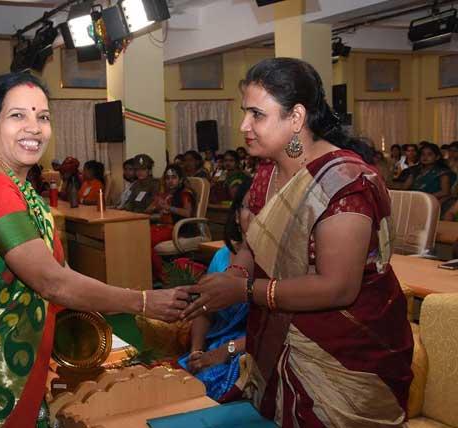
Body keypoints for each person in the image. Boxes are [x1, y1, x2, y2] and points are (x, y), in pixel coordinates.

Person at [0, 72, 189, 428]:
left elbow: (59, 273)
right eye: (17, 115)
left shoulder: (14, 183)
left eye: (43, 117)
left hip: (2, 355)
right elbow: (52, 282)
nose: (34, 127)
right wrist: (143, 301)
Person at [182, 58, 413, 427]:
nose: (244, 126)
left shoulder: (345, 183)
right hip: (276, 341)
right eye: (245, 113)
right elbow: (253, 243)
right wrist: (235, 273)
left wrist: (241, 289)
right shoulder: (266, 170)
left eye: (256, 114)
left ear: (296, 118)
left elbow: (337, 288)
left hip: (345, 353)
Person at [178, 182, 251, 401]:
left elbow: (276, 329)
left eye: (263, 207)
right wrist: (196, 351)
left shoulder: (280, 262)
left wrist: (226, 351)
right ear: (237, 216)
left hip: (250, 347)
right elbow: (204, 309)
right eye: (249, 207)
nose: (256, 216)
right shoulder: (222, 256)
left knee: (211, 385)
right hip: (217, 341)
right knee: (181, 380)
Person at [146, 164, 196, 281]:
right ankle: (150, 274)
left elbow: (188, 213)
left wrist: (169, 207)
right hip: (161, 226)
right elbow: (148, 211)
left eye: (173, 177)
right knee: (138, 237)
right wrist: (154, 207)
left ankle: (163, 275)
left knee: (145, 241)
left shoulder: (185, 193)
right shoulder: (166, 194)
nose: (170, 181)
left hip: (176, 228)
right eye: (167, 178)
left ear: (181, 179)